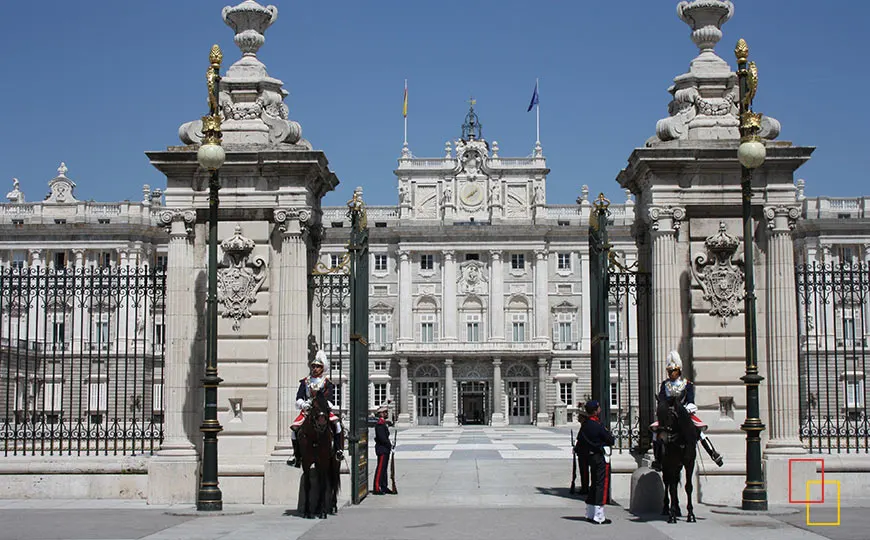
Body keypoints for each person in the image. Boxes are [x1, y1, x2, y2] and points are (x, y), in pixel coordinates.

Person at [649, 351, 723, 471]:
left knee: (699, 432)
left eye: (672, 371)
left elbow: (691, 401)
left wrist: (686, 409)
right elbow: (662, 399)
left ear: (678, 371)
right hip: (668, 415)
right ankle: (658, 459)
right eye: (669, 371)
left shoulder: (687, 385)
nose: (670, 373)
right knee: (655, 431)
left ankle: (713, 453)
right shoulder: (664, 385)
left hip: (683, 414)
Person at [287, 350, 343, 467]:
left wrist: (326, 405)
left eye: (318, 366)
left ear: (322, 368)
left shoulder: (327, 382)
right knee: (294, 429)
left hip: (323, 409)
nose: (315, 369)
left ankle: (338, 450)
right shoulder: (305, 382)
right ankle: (296, 455)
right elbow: (298, 398)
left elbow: (330, 398)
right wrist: (303, 404)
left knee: (337, 425)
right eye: (313, 366)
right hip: (308, 410)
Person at [577, 400, 614, 525]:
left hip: (589, 457)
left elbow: (580, 440)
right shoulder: (597, 425)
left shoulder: (585, 425)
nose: (600, 409)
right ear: (595, 410)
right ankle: (599, 515)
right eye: (598, 408)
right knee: (601, 484)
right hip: (599, 456)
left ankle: (590, 512)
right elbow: (610, 439)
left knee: (593, 483)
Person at [372, 404, 395, 495]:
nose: (386, 413)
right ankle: (377, 487)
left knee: (384, 469)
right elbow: (382, 438)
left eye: (386, 412)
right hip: (382, 449)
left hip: (385, 449)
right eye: (385, 412)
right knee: (380, 469)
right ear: (380, 414)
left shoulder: (383, 423)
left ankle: (384, 486)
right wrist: (389, 445)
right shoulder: (380, 424)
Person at [573, 403, 591, 495]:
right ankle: (586, 487)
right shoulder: (585, 425)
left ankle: (585, 488)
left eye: (579, 416)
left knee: (584, 471)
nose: (578, 418)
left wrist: (576, 448)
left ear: (583, 417)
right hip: (585, 451)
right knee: (584, 471)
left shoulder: (585, 427)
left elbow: (582, 440)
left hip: (585, 452)